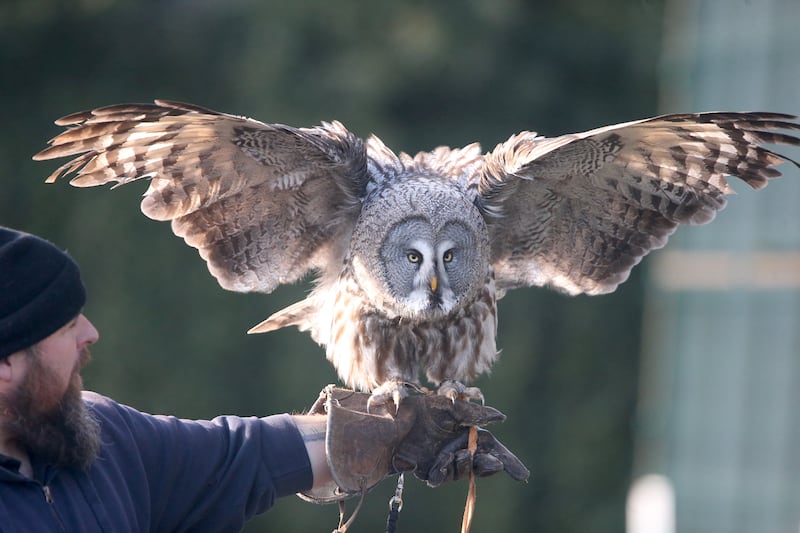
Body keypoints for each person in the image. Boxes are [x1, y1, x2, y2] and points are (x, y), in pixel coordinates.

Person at [0, 226, 528, 532]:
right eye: (66, 326)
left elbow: (242, 457)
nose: (90, 334)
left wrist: (398, 432)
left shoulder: (98, 440)